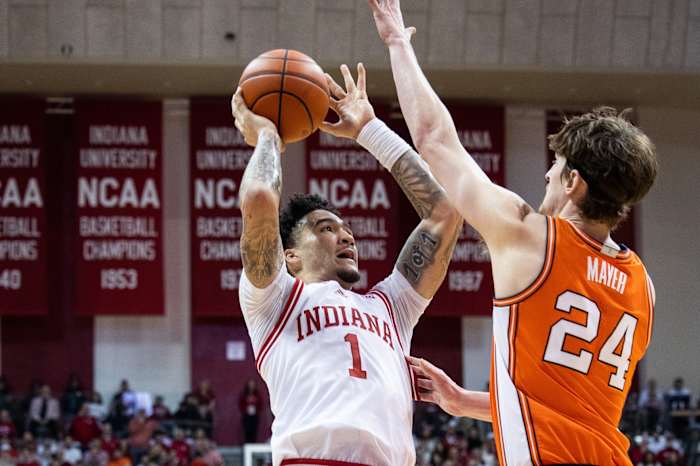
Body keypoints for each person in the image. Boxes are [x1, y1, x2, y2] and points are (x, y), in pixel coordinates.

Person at [367, 1, 658, 465]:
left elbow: (435, 140)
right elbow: (571, 409)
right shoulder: (643, 285)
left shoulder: (529, 236)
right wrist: (462, 402)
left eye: (557, 165)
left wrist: (397, 43)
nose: (546, 175)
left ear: (573, 181)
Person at [231, 58, 462, 465]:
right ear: (291, 256)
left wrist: (370, 131)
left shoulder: (392, 308)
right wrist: (268, 135)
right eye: (325, 228)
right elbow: (260, 200)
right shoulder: (275, 299)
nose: (346, 234)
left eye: (346, 228)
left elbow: (444, 212)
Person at [238, 379, 261, 444]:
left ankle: (253, 445)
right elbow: (241, 404)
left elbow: (260, 404)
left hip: (255, 415)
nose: (251, 386)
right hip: (246, 415)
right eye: (250, 385)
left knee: (254, 431)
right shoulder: (244, 394)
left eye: (253, 385)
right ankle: (247, 444)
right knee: (247, 431)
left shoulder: (257, 394)